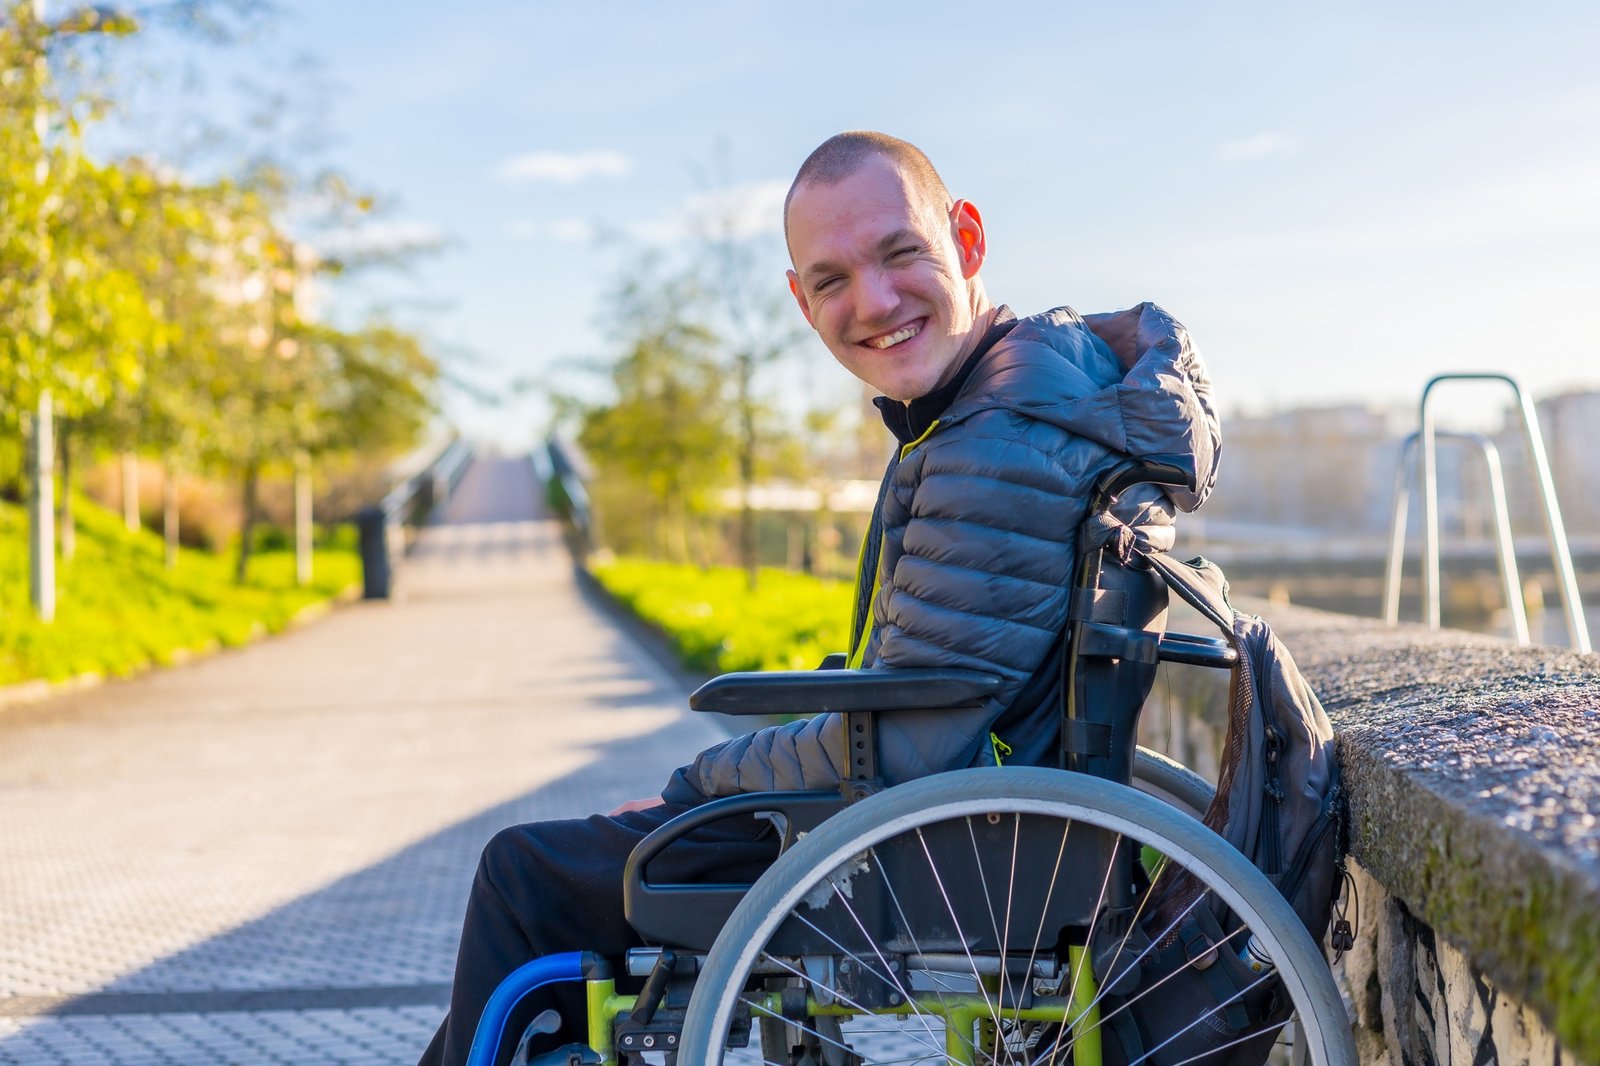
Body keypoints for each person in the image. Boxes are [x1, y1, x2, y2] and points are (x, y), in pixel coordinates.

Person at [418, 130, 1220, 1065]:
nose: (872, 303)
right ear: (801, 302)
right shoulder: (1030, 394)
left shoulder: (994, 441)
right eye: (832, 280)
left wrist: (697, 786)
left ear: (966, 239)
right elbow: (930, 694)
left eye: (899, 253)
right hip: (987, 827)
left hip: (931, 852)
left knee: (524, 875)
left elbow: (914, 740)